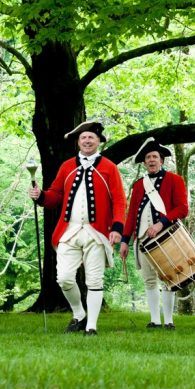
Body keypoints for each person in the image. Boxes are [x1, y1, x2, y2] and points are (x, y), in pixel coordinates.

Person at [30, 121, 126, 336]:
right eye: (83, 137)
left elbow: (119, 200)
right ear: (78, 142)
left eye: (91, 137)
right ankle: (78, 314)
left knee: (94, 280)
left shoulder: (109, 167)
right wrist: (41, 196)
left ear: (99, 141)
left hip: (97, 232)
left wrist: (117, 227)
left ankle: (91, 326)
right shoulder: (67, 166)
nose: (87, 140)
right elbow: (55, 196)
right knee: (63, 278)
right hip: (69, 231)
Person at [119, 138, 189, 329]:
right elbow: (132, 214)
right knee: (149, 280)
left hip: (166, 236)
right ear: (144, 162)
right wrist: (125, 241)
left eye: (155, 157)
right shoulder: (139, 185)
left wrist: (161, 224)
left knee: (168, 278)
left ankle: (168, 320)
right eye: (148, 157)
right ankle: (155, 320)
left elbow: (182, 209)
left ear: (162, 160)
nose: (151, 160)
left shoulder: (175, 180)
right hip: (142, 238)